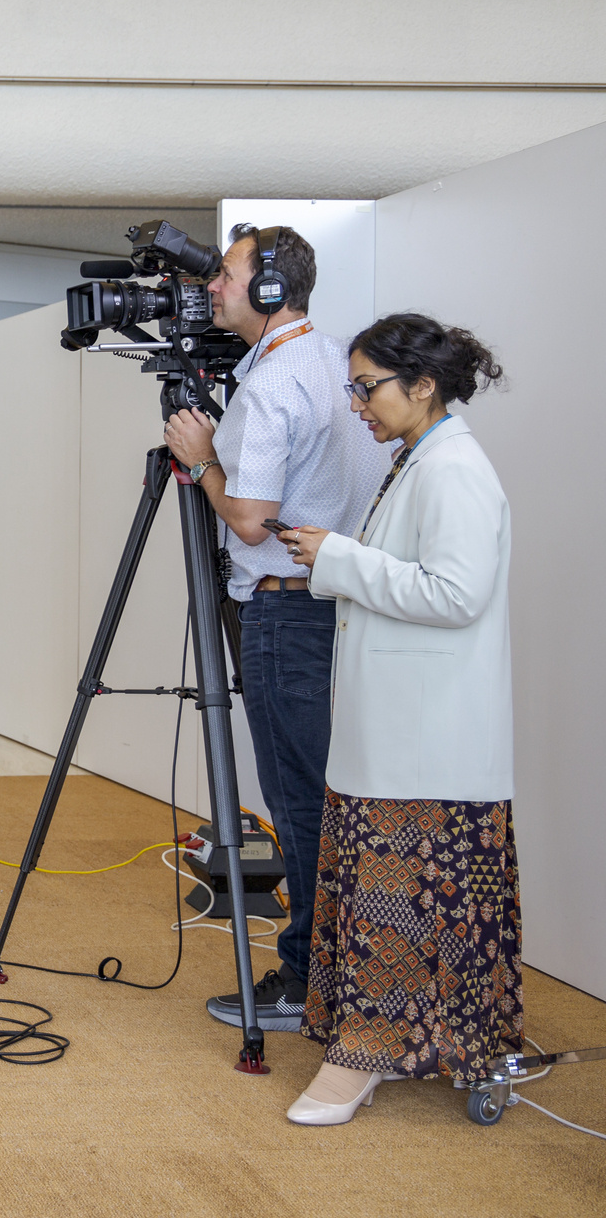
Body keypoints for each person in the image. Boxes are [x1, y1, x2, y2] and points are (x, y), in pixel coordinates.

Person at [278, 314, 515, 1125]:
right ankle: (404, 1046)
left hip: (429, 745)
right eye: (353, 386)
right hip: (404, 736)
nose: (356, 405)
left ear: (423, 386)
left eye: (366, 386)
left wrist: (339, 559)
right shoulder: (421, 459)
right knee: (403, 899)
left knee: (404, 901)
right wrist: (342, 556)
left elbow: (456, 594)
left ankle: (364, 1060)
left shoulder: (455, 470)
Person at [162, 224, 388, 1032]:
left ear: (266, 290)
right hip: (341, 605)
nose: (209, 288)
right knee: (331, 793)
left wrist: (201, 458)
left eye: (223, 275)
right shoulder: (333, 361)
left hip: (286, 612)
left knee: (298, 804)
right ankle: (340, 967)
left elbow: (251, 521)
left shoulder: (268, 385)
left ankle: (305, 982)